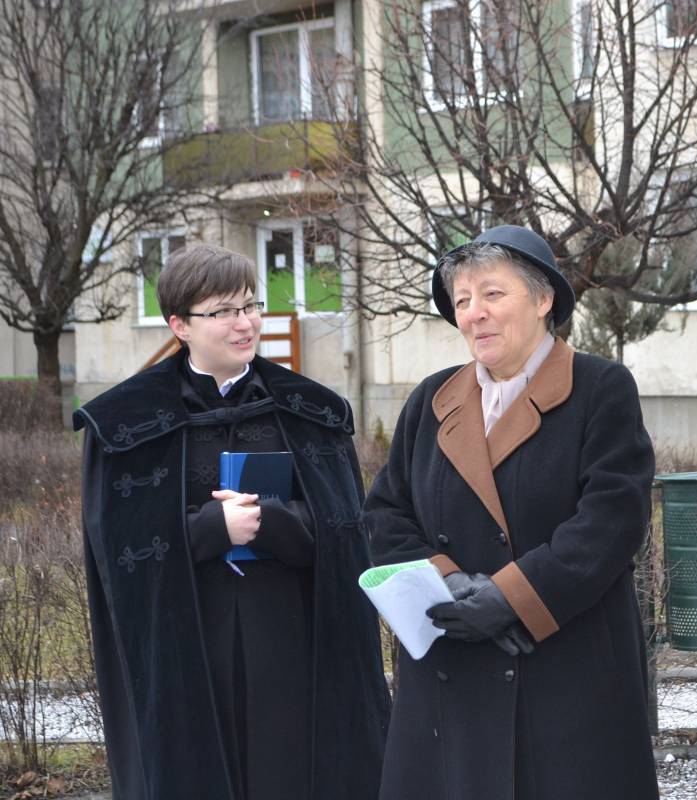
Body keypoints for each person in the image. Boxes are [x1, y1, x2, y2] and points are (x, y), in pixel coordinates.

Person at [74, 243, 389, 800]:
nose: (244, 323)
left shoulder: (310, 411)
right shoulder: (125, 425)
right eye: (223, 311)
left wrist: (272, 521)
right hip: (188, 642)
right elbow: (114, 545)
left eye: (250, 306)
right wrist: (209, 530)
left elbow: (345, 529)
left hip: (291, 643)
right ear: (180, 324)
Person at [365, 225, 659, 800]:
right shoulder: (431, 399)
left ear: (544, 298)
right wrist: (451, 586)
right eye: (464, 300)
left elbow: (612, 519)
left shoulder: (600, 388)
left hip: (561, 667)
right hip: (452, 664)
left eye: (493, 295)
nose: (475, 313)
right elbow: (384, 513)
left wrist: (510, 599)